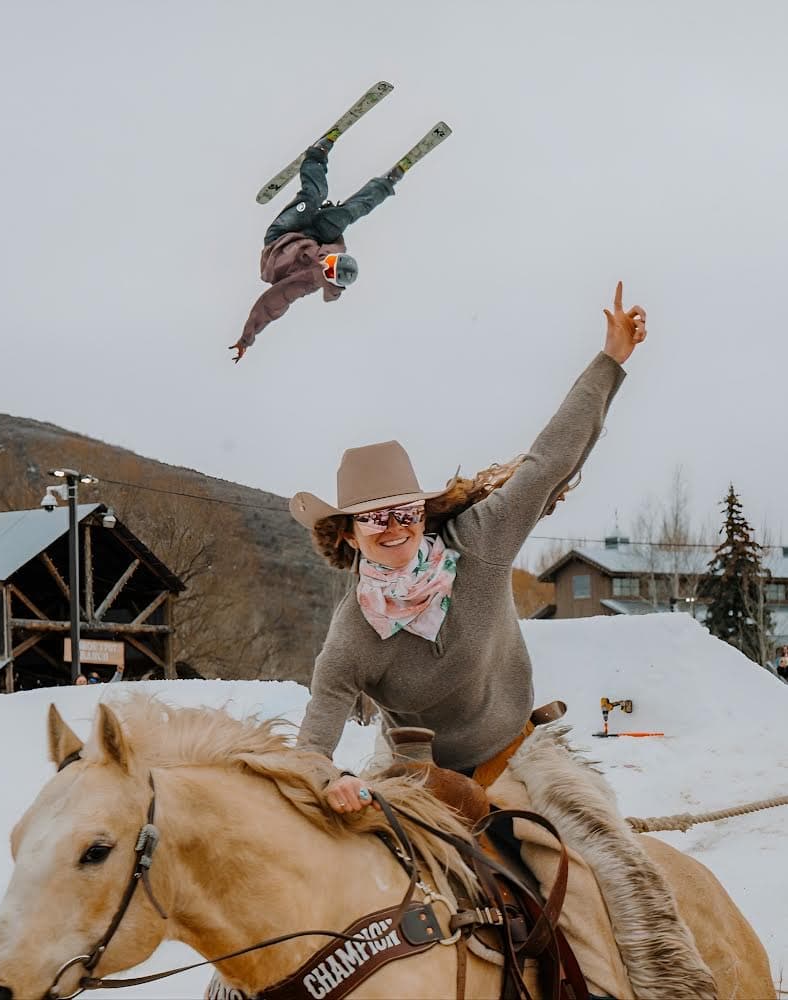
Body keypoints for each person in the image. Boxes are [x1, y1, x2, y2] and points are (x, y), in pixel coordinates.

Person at [288, 285, 717, 997]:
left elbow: (549, 460)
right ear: (348, 534)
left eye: (404, 512)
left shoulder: (479, 543)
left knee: (604, 882)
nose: (393, 528)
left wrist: (610, 360)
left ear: (422, 513)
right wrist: (328, 779)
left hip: (521, 756)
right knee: (347, 899)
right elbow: (312, 742)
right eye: (374, 519)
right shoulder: (352, 634)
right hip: (416, 780)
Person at [230, 135, 400, 365]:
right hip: (314, 235)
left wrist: (246, 339)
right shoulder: (334, 250)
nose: (325, 262)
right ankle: (385, 183)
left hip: (280, 237)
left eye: (328, 268)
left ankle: (315, 157)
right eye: (331, 261)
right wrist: (333, 216)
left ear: (329, 277)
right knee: (348, 213)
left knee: (314, 197)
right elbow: (342, 226)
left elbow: (269, 306)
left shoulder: (303, 284)